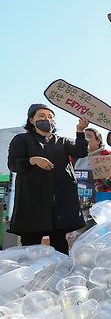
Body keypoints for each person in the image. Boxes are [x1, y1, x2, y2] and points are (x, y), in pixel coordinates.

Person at [8, 104, 89, 254]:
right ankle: (29, 274)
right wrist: (32, 160)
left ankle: (61, 272)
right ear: (32, 120)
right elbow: (13, 164)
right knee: (30, 243)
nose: (47, 119)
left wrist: (80, 131)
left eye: (51, 117)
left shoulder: (63, 141)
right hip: (32, 199)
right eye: (42, 116)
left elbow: (81, 151)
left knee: (59, 242)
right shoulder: (21, 139)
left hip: (59, 200)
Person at [73, 127, 111, 193]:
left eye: (88, 136)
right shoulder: (75, 158)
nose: (85, 139)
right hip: (77, 199)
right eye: (83, 137)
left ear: (98, 141)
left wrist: (102, 186)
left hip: (100, 200)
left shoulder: (108, 156)